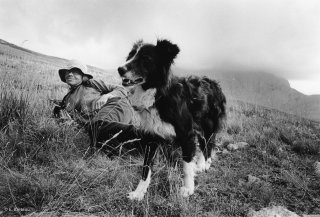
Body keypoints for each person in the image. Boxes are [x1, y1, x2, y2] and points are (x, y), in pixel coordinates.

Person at [53, 59, 157, 156]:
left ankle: (154, 139)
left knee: (98, 127)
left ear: (83, 76)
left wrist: (107, 96)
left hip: (116, 105)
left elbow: (121, 89)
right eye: (67, 71)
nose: (70, 73)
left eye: (75, 71)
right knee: (98, 139)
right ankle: (150, 146)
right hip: (100, 123)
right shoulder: (67, 99)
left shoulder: (91, 83)